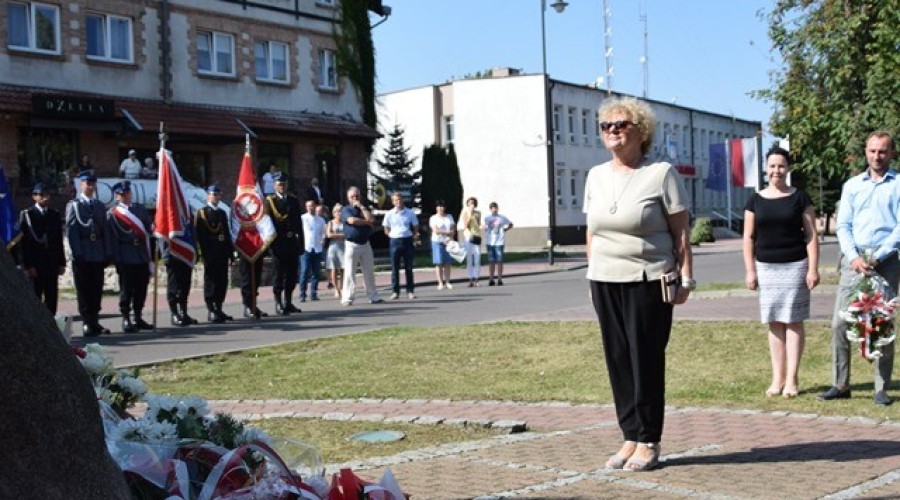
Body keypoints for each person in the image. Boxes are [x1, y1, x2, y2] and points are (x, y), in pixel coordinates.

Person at [585, 97, 693, 472]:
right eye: (606, 125)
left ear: (641, 130)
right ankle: (629, 435)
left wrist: (686, 276)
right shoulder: (595, 176)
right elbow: (592, 230)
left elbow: (680, 230)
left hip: (648, 279)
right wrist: (590, 271)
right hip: (605, 279)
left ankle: (649, 439)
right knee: (618, 360)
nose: (612, 130)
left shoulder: (661, 173)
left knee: (644, 359)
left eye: (621, 124)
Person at [820, 130, 899, 406]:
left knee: (882, 324)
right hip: (854, 263)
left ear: (891, 153)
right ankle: (841, 384)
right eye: (873, 151)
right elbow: (843, 225)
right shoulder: (852, 185)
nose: (877, 156)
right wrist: (854, 257)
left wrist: (879, 256)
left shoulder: (898, 184)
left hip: (886, 262)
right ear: (866, 152)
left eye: (883, 151)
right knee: (840, 323)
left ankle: (881, 387)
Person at [742, 147, 819, 399]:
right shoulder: (755, 200)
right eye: (772, 166)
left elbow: (811, 235)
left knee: (794, 321)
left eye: (781, 166)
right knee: (774, 322)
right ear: (766, 169)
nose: (777, 170)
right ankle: (777, 378)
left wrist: (813, 268)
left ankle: (792, 379)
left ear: (788, 169)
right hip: (766, 268)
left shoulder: (800, 198)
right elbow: (748, 238)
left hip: (796, 266)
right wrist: (750, 270)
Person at [66, 172, 111, 337]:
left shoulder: (99, 205)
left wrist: (107, 252)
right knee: (84, 289)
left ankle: (95, 320)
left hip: (97, 252)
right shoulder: (74, 205)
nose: (90, 187)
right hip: (83, 252)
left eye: (93, 184)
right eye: (87, 184)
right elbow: (72, 231)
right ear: (81, 185)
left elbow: (105, 230)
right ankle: (87, 322)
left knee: (96, 288)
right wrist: (78, 252)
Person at [106, 181, 154, 333]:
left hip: (141, 255)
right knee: (126, 289)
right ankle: (126, 317)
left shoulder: (139, 209)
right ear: (117, 196)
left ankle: (138, 316)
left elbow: (149, 228)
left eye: (127, 193)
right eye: (122, 194)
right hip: (125, 255)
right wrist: (116, 258)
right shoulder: (113, 214)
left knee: (141, 287)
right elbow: (112, 238)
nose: (126, 196)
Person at [18, 183, 66, 314]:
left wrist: (62, 262)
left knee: (52, 296)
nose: (45, 197)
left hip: (52, 262)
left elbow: (58, 241)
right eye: (41, 195)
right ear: (34, 196)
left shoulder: (54, 214)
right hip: (36, 263)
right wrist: (28, 265)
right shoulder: (28, 214)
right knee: (36, 295)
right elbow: (25, 244)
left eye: (47, 194)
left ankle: (51, 324)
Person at [194, 185, 234, 323]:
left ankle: (219, 307)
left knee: (222, 281)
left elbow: (226, 234)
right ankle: (211, 309)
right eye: (213, 194)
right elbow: (201, 236)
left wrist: (230, 252)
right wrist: (205, 254)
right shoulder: (202, 213)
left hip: (222, 252)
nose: (215, 197)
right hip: (210, 253)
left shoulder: (222, 213)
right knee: (211, 281)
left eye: (217, 194)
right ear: (207, 196)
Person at [266, 173, 304, 315]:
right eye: (279, 184)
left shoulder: (293, 200)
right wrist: (270, 245)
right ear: (275, 185)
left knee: (291, 275)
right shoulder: (270, 201)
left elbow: (299, 224)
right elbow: (267, 224)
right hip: (278, 244)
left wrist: (302, 243)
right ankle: (278, 302)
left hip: (292, 243)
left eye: (284, 184)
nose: (282, 187)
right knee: (279, 275)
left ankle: (288, 302)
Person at [340, 186, 383, 306]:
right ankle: (347, 298)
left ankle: (373, 296)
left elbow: (371, 218)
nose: (355, 198)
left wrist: (362, 208)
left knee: (369, 272)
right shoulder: (346, 209)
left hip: (365, 243)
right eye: (352, 197)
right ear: (348, 198)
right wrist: (366, 222)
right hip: (351, 244)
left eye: (357, 196)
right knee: (349, 272)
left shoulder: (364, 209)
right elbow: (352, 221)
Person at [383, 192, 419, 300]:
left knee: (408, 267)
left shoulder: (410, 212)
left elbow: (416, 226)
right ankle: (395, 291)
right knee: (395, 267)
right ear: (393, 202)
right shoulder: (389, 214)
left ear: (402, 200)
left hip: (407, 240)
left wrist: (413, 235)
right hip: (394, 241)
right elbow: (386, 227)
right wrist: (390, 235)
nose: (398, 202)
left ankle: (410, 291)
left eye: (399, 199)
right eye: (395, 200)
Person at [161, 233, 198, 328]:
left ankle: (183, 313)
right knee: (173, 285)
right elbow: (163, 232)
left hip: (186, 252)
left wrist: (194, 250)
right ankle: (174, 314)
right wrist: (166, 254)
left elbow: (190, 231)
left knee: (185, 284)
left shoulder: (187, 216)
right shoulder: (169, 216)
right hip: (172, 253)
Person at [299, 199, 325, 302]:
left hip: (317, 248)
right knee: (304, 271)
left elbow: (323, 232)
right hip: (306, 248)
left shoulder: (321, 220)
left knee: (316, 272)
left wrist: (322, 240)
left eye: (312, 206)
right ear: (306, 207)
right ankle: (302, 293)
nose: (310, 208)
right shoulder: (303, 218)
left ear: (315, 206)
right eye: (308, 206)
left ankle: (313, 293)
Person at [482, 202, 514, 286]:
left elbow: (511, 224)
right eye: (492, 208)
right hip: (490, 242)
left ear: (497, 209)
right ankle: (491, 279)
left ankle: (499, 278)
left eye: (495, 208)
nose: (494, 210)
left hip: (499, 242)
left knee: (499, 261)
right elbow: (484, 227)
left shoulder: (502, 218)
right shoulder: (487, 218)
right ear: (490, 209)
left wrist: (505, 229)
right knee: (491, 261)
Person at [429, 199, 455, 290]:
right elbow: (436, 231)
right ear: (436, 208)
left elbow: (452, 229)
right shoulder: (433, 218)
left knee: (447, 263)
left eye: (443, 206)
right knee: (439, 262)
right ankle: (440, 282)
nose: (441, 208)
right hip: (437, 242)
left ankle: (448, 282)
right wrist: (447, 232)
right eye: (439, 206)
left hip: (447, 242)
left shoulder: (449, 217)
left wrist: (449, 236)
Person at [458, 197, 482, 287]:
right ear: (467, 204)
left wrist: (474, 216)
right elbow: (465, 225)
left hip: (476, 236)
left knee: (477, 258)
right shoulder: (465, 213)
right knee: (469, 259)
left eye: (473, 203)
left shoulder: (478, 213)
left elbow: (478, 225)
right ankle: (470, 278)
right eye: (469, 203)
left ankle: (477, 278)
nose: (471, 204)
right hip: (468, 236)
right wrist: (470, 214)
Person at [325, 203, 345, 299]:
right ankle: (336, 289)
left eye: (340, 211)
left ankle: (342, 288)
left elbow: (348, 234)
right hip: (333, 247)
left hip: (343, 247)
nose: (339, 213)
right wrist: (342, 235)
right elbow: (329, 235)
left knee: (343, 269)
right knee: (333, 269)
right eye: (337, 211)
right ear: (334, 213)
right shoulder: (331, 223)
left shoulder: (345, 222)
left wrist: (336, 235)